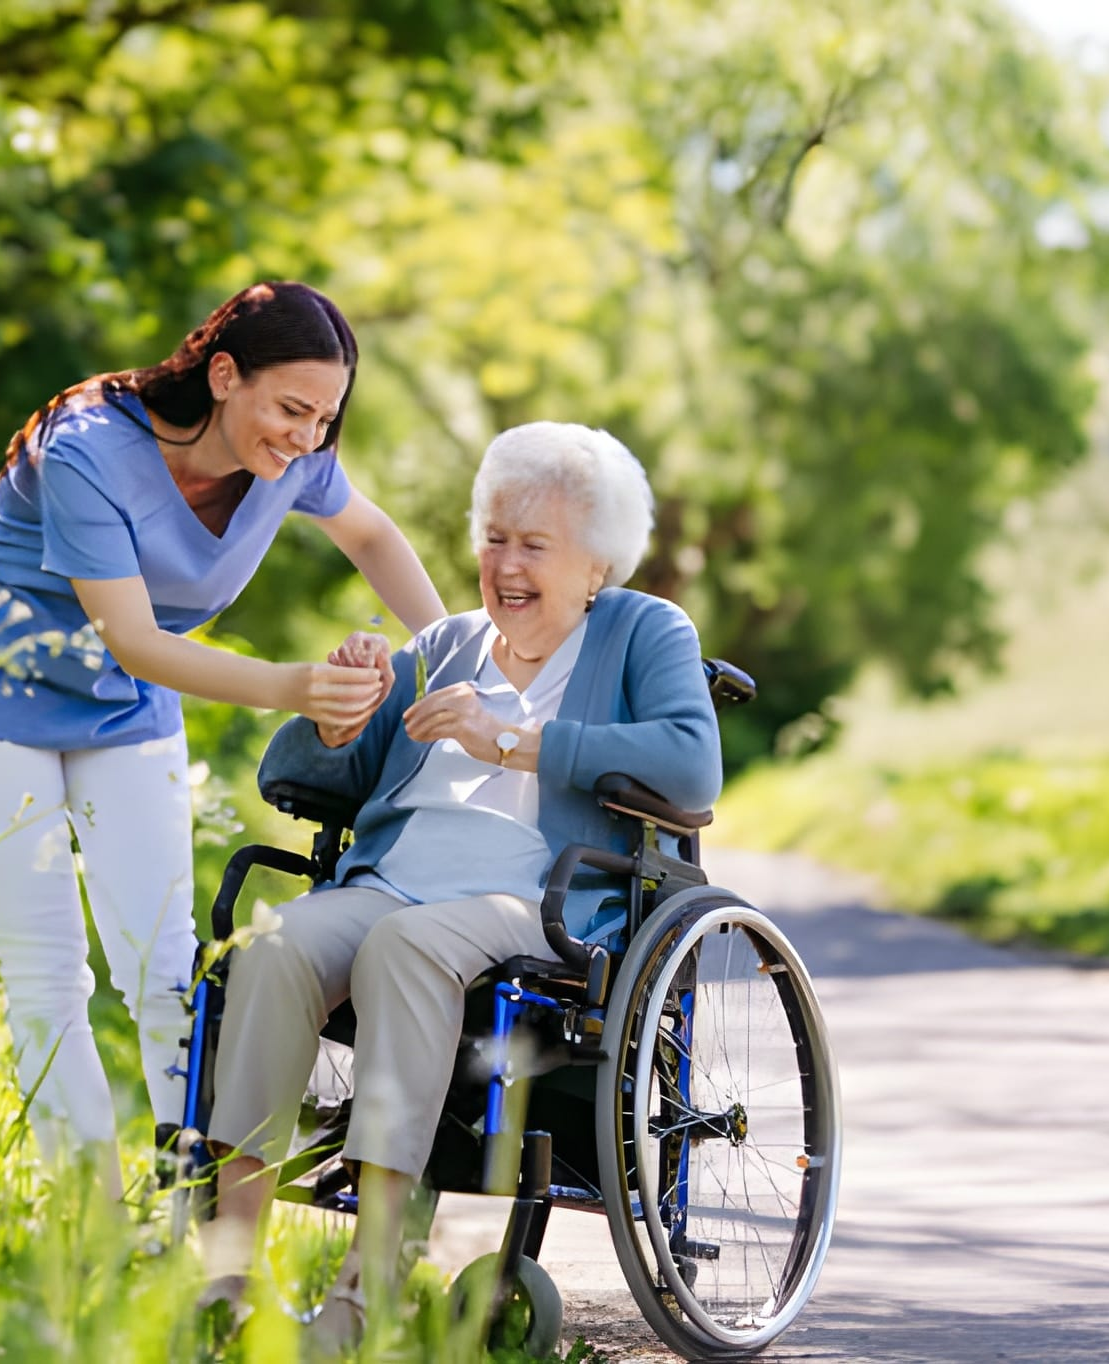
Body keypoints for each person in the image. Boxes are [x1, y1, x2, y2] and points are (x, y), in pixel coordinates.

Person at [0, 282, 445, 1195]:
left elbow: (374, 536)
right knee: (48, 967)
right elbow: (137, 640)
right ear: (224, 375)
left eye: (326, 418)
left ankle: (195, 1208)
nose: (307, 437)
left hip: (120, 704)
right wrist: (292, 687)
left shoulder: (296, 459)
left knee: (165, 965)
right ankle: (91, 1219)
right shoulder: (88, 447)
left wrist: (463, 658)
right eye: (292, 409)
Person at [200, 421, 722, 1349]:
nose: (504, 564)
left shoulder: (644, 631)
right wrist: (341, 711)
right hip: (390, 880)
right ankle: (227, 1275)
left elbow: (691, 769)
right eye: (493, 537)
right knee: (272, 947)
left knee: (407, 946)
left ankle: (368, 1285)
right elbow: (306, 778)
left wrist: (512, 741)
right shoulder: (443, 645)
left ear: (596, 564)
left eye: (534, 544)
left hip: (538, 900)